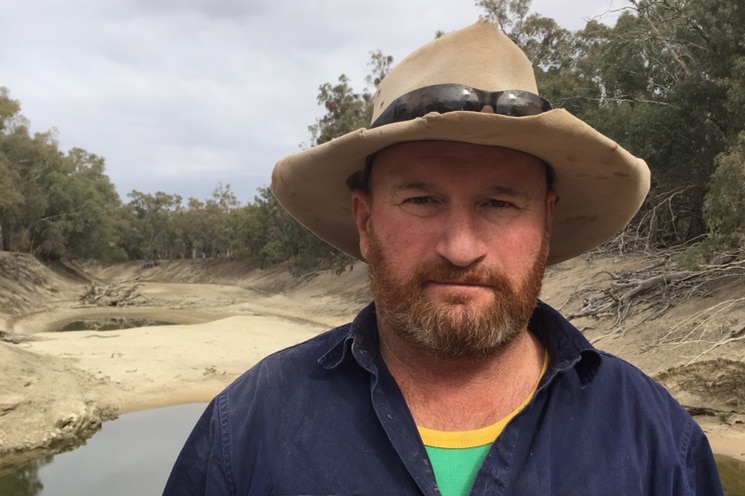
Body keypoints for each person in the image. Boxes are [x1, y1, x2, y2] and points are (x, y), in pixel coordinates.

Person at [163, 21, 723, 495]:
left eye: (500, 203)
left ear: (546, 221)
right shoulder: (250, 429)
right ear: (365, 221)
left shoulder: (653, 439)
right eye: (421, 200)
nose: (460, 248)